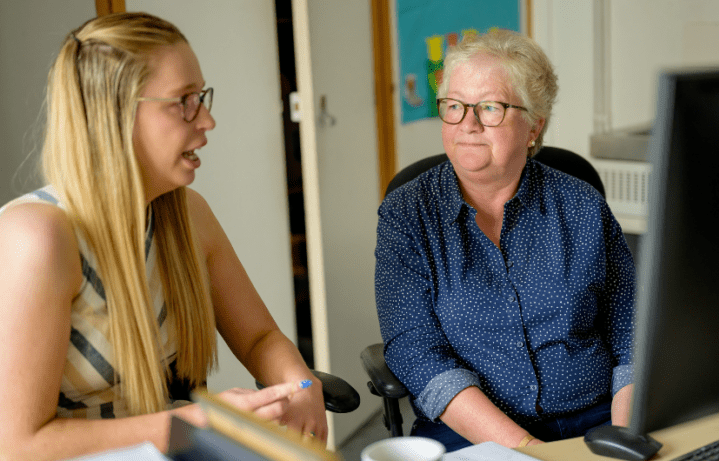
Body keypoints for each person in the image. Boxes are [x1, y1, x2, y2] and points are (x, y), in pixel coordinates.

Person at [0, 12, 326, 460]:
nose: (207, 120)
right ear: (113, 115)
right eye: (184, 100)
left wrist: (301, 384)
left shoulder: (188, 215)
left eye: (202, 97)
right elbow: (17, 445)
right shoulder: (38, 237)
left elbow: (259, 338)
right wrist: (196, 423)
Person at [375, 29, 636, 452]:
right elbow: (414, 349)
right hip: (468, 434)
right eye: (454, 106)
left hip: (594, 420)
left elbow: (632, 330)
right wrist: (529, 451)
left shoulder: (582, 205)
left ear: (534, 125)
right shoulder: (408, 213)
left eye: (490, 108)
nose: (468, 124)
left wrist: (625, 439)